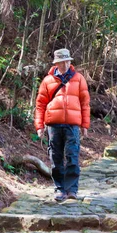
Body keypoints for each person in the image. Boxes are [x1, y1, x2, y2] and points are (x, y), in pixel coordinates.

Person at [35, 48, 90, 202]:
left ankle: (72, 190)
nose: (64, 64)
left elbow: (85, 104)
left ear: (70, 61)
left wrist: (85, 124)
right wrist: (39, 125)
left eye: (67, 61)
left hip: (72, 125)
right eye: (61, 61)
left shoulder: (79, 79)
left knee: (72, 156)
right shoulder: (47, 81)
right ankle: (59, 189)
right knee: (56, 158)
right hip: (53, 124)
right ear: (56, 63)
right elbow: (40, 105)